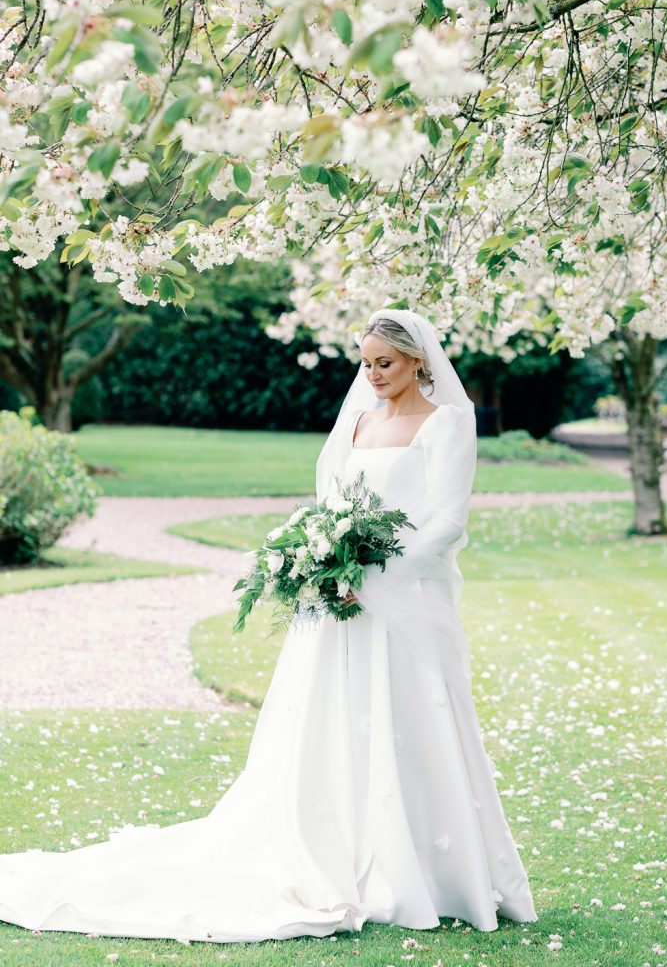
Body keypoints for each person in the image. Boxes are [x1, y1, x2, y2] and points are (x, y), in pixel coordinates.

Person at [0, 308, 538, 943]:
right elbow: (332, 503)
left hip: (402, 601)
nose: (372, 374)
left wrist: (376, 576)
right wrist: (323, 561)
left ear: (417, 360)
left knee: (408, 719)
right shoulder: (359, 421)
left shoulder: (447, 423)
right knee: (329, 721)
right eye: (365, 363)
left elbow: (447, 520)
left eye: (385, 363)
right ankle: (327, 846)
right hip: (337, 603)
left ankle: (420, 868)